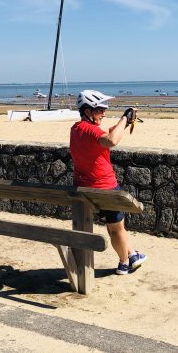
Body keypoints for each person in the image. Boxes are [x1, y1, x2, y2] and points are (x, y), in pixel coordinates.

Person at [70, 90, 147, 275]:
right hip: (106, 188)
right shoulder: (90, 129)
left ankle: (133, 255)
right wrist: (124, 117)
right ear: (88, 111)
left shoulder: (77, 128)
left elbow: (103, 135)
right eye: (100, 110)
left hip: (85, 188)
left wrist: (124, 123)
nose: (103, 113)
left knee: (114, 227)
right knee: (117, 228)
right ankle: (124, 262)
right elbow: (111, 140)